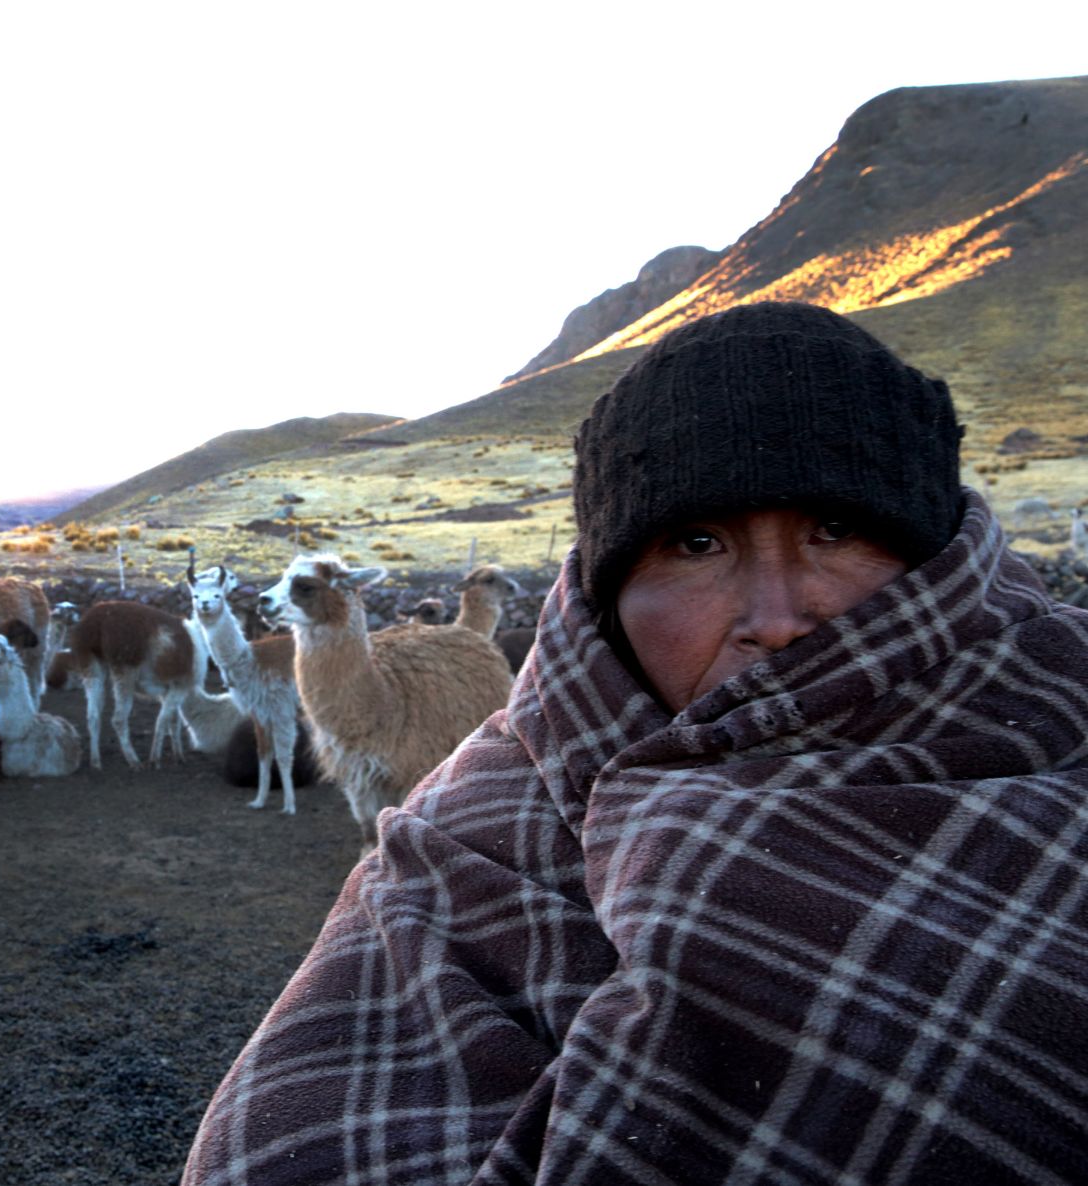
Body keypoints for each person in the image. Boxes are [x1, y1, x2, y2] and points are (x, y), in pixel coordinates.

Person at [182, 302, 1088, 1184]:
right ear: (609, 598)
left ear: (940, 566)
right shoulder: (473, 842)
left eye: (839, 531)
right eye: (697, 544)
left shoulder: (1056, 746)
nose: (777, 619)